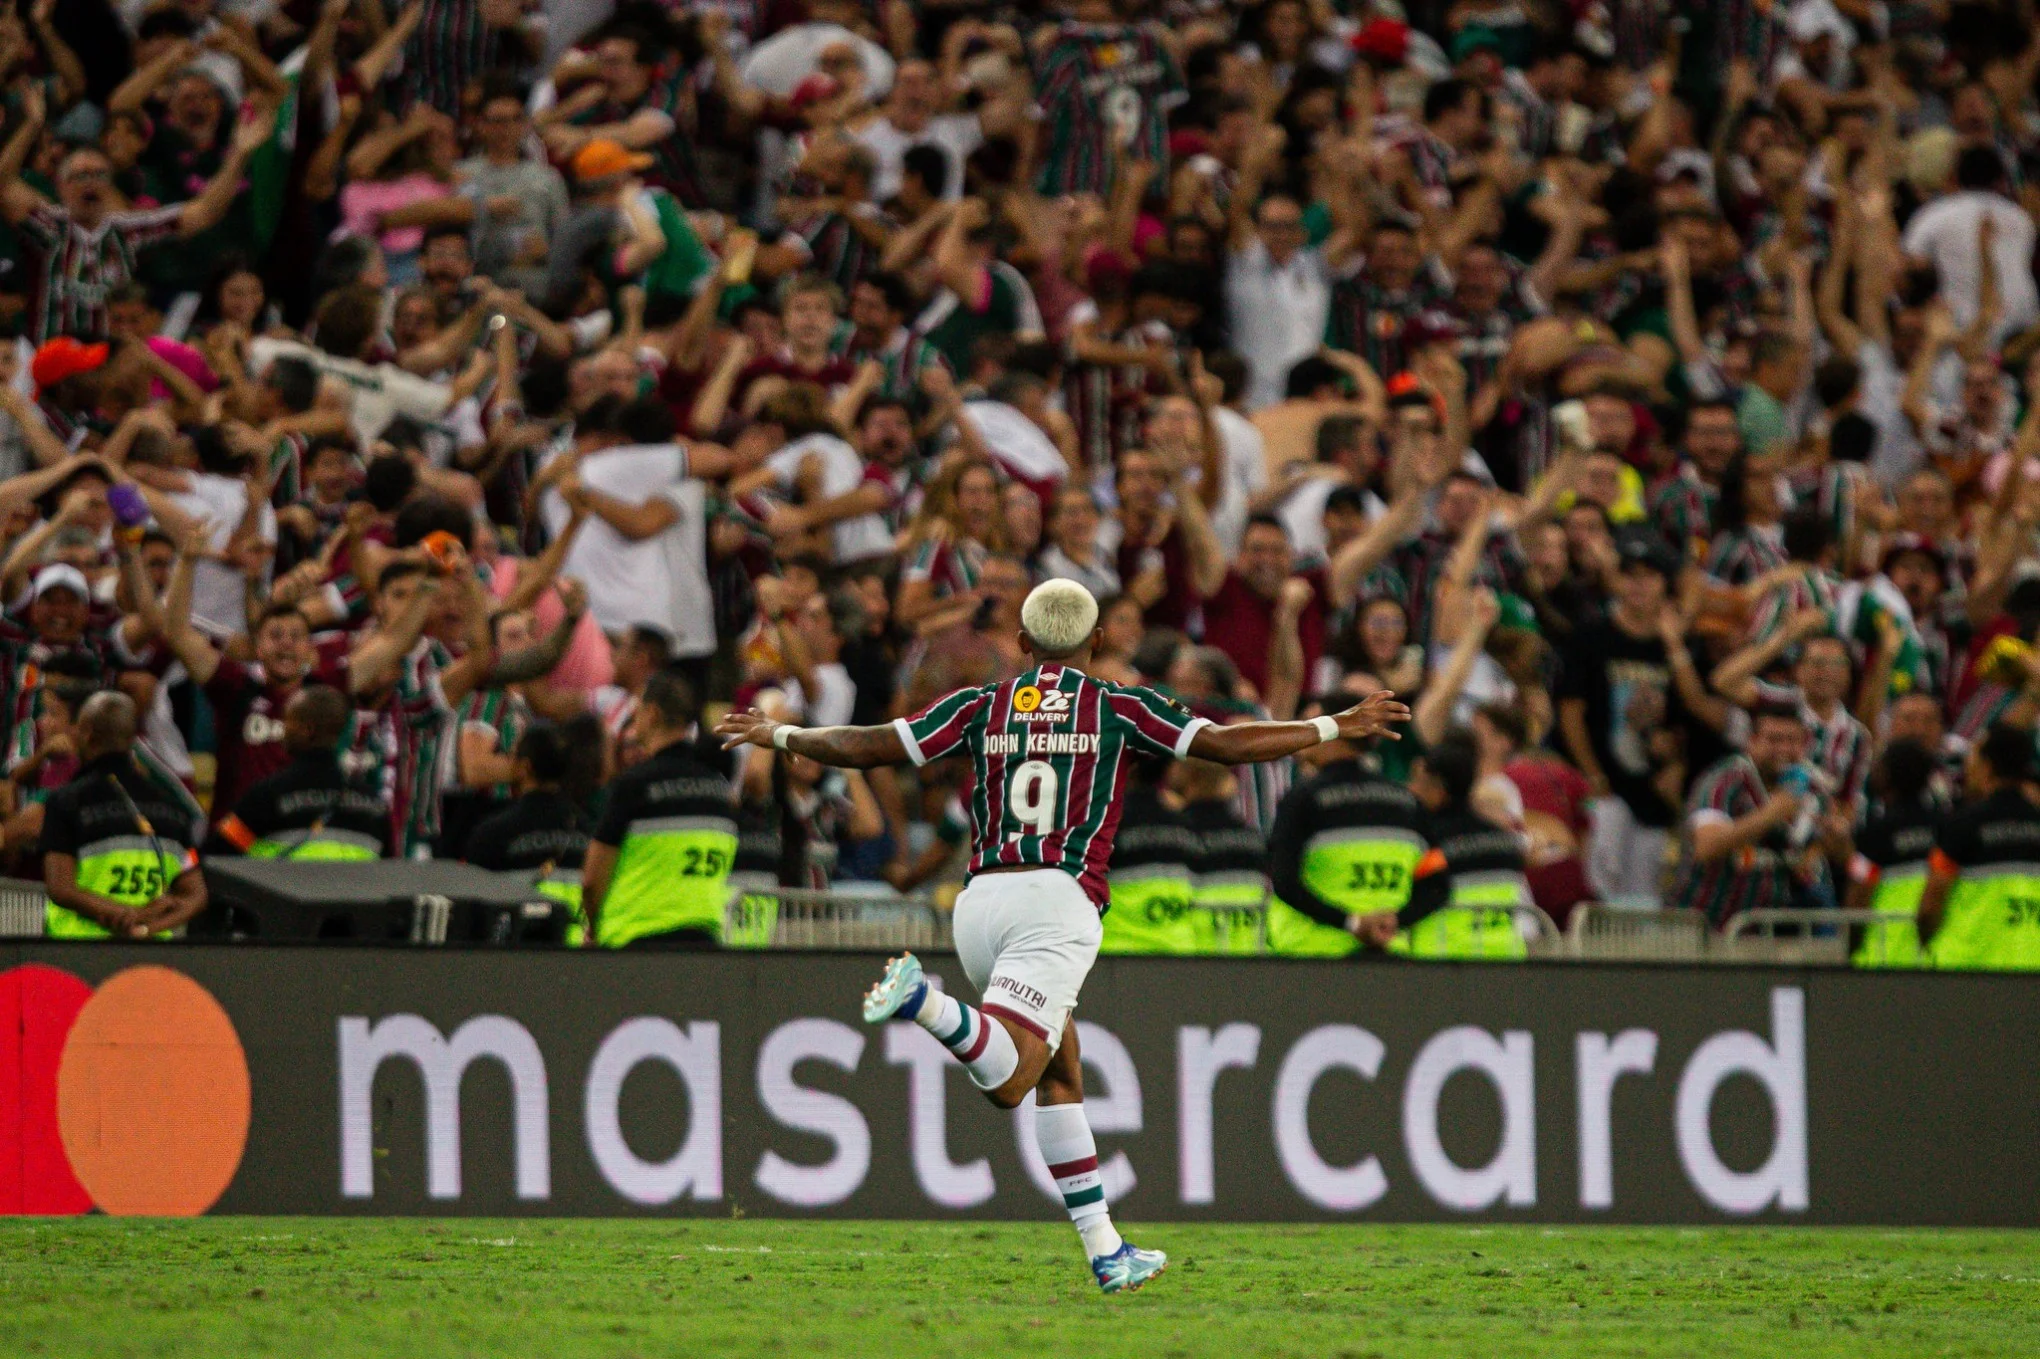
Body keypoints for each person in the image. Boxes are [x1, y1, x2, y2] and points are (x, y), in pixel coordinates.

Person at [715, 579, 1408, 1292]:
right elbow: (1225, 745)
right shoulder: (1117, 705)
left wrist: (783, 734)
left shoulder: (982, 704)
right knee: (1013, 1079)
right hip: (1056, 901)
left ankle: (1107, 1250)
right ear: (1097, 642)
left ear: (1022, 643)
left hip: (980, 902)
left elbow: (873, 745)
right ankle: (924, 1000)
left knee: (1060, 1070)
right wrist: (1334, 725)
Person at [1264, 690, 1447, 958]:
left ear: (1338, 730)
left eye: (1313, 724)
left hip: (1313, 956)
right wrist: (1394, 921)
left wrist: (1352, 923)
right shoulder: (1407, 802)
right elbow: (1438, 886)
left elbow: (1283, 881)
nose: (1305, 732)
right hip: (1389, 956)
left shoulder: (1303, 800)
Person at [584, 671, 737, 949]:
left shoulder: (635, 784)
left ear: (652, 713)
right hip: (705, 942)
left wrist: (594, 928)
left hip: (638, 941)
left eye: (638, 709)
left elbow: (592, 879)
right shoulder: (719, 789)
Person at [39, 691, 205, 939]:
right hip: (149, 953)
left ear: (87, 733)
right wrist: (145, 927)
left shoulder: (66, 801)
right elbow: (196, 895)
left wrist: (125, 914)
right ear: (131, 738)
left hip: (77, 950)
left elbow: (60, 888)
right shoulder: (173, 809)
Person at [210, 685, 388, 861]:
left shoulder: (267, 796)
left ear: (307, 730)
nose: (283, 729)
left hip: (279, 881)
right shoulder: (374, 803)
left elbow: (217, 854)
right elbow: (391, 867)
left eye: (287, 720)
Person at [1918, 724, 2040, 970]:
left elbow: (1932, 902)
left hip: (1968, 970)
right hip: (2030, 968)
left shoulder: (1964, 825)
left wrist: (1923, 941)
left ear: (1987, 766)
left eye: (1973, 755)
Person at [1400, 731, 1532, 959]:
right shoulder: (1504, 841)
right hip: (1506, 958)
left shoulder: (1427, 842)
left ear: (1439, 789)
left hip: (1444, 959)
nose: (1412, 788)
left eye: (1419, 781)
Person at [465, 722, 596, 945]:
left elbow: (475, 918)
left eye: (512, 756)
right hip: (578, 955)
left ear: (525, 767)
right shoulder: (590, 831)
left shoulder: (492, 834)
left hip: (516, 955)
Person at [1843, 738, 1943, 968]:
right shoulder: (1944, 826)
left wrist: (1850, 948)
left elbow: (1858, 897)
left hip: (1883, 958)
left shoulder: (1874, 833)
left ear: (1887, 775)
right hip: (1932, 960)